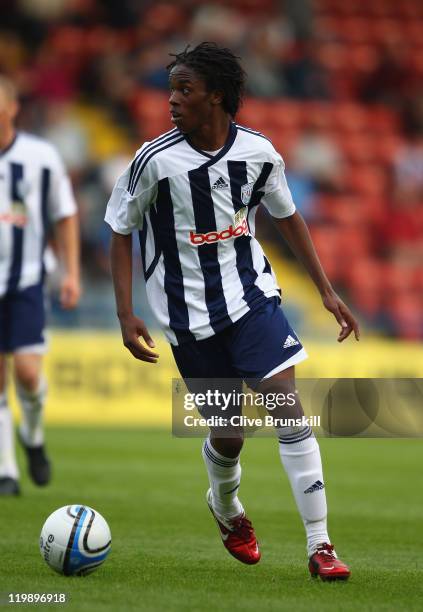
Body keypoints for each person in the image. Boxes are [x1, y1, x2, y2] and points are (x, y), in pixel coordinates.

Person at [105, 43, 360, 581]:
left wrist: (326, 291)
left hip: (251, 298)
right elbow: (120, 230)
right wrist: (126, 314)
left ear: (215, 96)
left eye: (184, 90)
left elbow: (288, 217)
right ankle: (225, 507)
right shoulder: (154, 161)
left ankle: (321, 547)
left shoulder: (260, 153)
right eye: (172, 89)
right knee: (229, 433)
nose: (172, 100)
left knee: (287, 409)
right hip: (188, 317)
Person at [0, 76, 80, 495]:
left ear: (12, 108)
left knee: (29, 373)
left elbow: (64, 215)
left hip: (27, 278)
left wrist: (71, 273)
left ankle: (32, 436)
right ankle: (6, 471)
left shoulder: (39, 157)